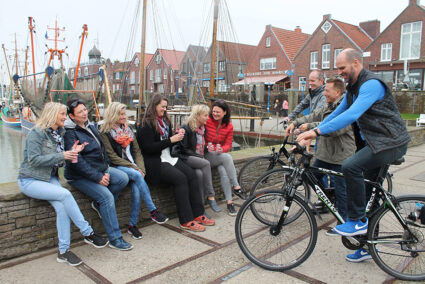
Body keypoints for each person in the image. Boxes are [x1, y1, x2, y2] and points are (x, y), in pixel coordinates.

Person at [296, 48, 410, 262]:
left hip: (390, 143)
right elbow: (337, 113)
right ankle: (368, 246)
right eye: (338, 69)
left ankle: (357, 220)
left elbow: (352, 114)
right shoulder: (352, 88)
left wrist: (316, 131)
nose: (340, 73)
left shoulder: (371, 85)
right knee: (368, 198)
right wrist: (311, 130)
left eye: (342, 68)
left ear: (356, 63)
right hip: (376, 144)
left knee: (350, 166)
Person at [18, 102, 108, 266]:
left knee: (62, 208)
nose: (65, 117)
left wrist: (74, 153)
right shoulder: (36, 134)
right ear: (52, 114)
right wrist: (63, 156)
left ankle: (63, 251)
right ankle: (87, 232)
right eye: (62, 114)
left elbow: (60, 163)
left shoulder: (58, 133)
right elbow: (34, 160)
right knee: (66, 194)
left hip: (49, 177)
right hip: (30, 179)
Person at [136, 94, 214, 232]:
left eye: (166, 107)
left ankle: (198, 214)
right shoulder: (145, 124)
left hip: (169, 157)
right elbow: (148, 148)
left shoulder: (165, 122)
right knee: (180, 179)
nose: (165, 110)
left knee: (191, 174)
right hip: (155, 161)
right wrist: (171, 140)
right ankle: (185, 220)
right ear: (154, 106)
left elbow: (169, 140)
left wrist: (178, 136)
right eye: (163, 107)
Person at [64, 99, 133, 251]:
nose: (84, 113)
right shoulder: (70, 134)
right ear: (72, 116)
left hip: (99, 169)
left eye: (84, 110)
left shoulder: (90, 126)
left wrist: (105, 170)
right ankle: (115, 238)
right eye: (79, 112)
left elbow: (102, 151)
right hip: (78, 176)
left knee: (123, 178)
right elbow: (77, 162)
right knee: (107, 197)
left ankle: (98, 205)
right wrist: (98, 177)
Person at [286, 78, 356, 221]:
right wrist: (296, 122)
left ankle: (344, 221)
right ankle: (327, 202)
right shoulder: (329, 105)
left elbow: (334, 127)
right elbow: (313, 115)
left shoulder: (346, 106)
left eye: (327, 90)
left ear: (337, 92)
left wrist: (311, 128)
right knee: (313, 179)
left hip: (340, 156)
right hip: (324, 154)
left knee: (341, 191)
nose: (324, 94)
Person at [100, 102, 169, 240]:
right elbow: (112, 156)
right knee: (137, 176)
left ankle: (132, 225)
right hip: (117, 166)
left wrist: (141, 168)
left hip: (133, 167)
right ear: (113, 114)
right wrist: (134, 168)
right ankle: (153, 210)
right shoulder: (105, 132)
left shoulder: (128, 129)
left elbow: (137, 151)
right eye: (121, 114)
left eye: (125, 114)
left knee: (137, 191)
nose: (124, 117)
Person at [173, 104, 222, 213]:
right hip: (185, 157)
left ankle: (200, 208)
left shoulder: (202, 129)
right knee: (206, 163)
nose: (207, 118)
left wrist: (207, 149)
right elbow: (184, 149)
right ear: (198, 115)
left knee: (199, 174)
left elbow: (198, 147)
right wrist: (200, 157)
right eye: (205, 115)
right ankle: (211, 196)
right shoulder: (186, 128)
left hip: (195, 157)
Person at [204, 99, 247, 216]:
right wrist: (207, 146)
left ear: (225, 113)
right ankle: (237, 187)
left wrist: (221, 149)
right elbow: (198, 137)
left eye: (218, 112)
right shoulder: (207, 121)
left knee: (223, 170)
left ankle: (229, 202)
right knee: (227, 158)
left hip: (218, 155)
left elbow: (228, 144)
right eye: (213, 111)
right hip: (205, 156)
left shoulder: (229, 126)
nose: (215, 114)